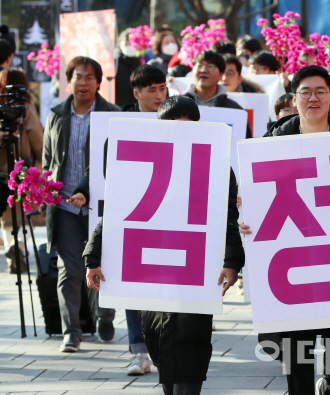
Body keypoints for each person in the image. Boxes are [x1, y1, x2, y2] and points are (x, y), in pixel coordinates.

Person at [83, 95, 243, 395]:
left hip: (195, 264)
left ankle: (186, 387)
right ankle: (170, 383)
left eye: (188, 124)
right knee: (157, 338)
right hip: (150, 265)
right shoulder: (140, 161)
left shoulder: (216, 162)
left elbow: (227, 218)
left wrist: (232, 261)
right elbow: (116, 213)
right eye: (173, 124)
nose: (181, 130)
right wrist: (93, 257)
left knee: (191, 336)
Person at [252, 65, 330, 395]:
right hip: (291, 260)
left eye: (320, 91)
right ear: (293, 99)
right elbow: (254, 198)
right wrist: (248, 216)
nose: (313, 98)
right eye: (305, 92)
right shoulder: (273, 141)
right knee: (296, 349)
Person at [71, 64, 167, 374]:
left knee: (164, 288)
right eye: (151, 89)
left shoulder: (179, 122)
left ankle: (162, 347)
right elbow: (97, 172)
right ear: (137, 93)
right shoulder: (119, 126)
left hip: (169, 219)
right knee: (131, 286)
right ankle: (139, 350)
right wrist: (84, 193)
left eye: (162, 88)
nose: (158, 94)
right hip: (132, 218)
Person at [42, 56, 119, 353]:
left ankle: (104, 316)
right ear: (68, 80)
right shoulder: (57, 114)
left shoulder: (111, 114)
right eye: (78, 76)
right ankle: (71, 331)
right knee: (70, 269)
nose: (83, 82)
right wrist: (45, 191)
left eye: (89, 77)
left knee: (105, 264)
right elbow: (49, 159)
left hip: (101, 207)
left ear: (99, 82)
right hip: (64, 208)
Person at [0, 68, 43, 273]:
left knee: (6, 215)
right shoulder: (24, 105)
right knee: (24, 212)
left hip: (1, 169)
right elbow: (37, 137)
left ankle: (11, 249)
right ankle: (18, 247)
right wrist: (42, 160)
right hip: (22, 167)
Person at [114, 28, 143, 107]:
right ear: (120, 44)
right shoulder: (114, 63)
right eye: (127, 43)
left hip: (135, 106)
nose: (130, 45)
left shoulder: (139, 61)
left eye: (132, 43)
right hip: (118, 106)